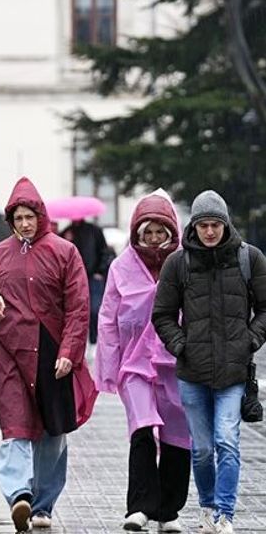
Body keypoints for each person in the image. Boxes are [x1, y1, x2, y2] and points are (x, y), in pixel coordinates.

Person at [0, 177, 97, 533]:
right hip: (8, 352)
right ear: (10, 221)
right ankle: (19, 496)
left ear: (40, 216)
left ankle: (43, 505)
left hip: (51, 352)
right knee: (14, 428)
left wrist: (70, 352)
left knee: (51, 432)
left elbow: (78, 307)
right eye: (18, 218)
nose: (25, 224)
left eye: (30, 216)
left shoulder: (64, 252)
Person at [152, 190, 266, 534]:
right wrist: (180, 345)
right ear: (194, 227)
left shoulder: (251, 259)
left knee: (227, 442)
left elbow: (264, 309)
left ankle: (225, 514)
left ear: (226, 224)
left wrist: (250, 339)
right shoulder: (178, 262)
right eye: (204, 225)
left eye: (216, 224)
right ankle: (207, 506)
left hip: (233, 371)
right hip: (192, 372)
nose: (211, 232)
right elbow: (163, 314)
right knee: (201, 450)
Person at [95, 190, 191, 532]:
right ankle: (139, 507)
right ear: (137, 232)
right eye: (147, 232)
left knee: (178, 436)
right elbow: (108, 317)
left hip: (176, 364)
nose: (153, 239)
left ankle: (168, 511)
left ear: (171, 233)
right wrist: (108, 365)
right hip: (134, 365)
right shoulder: (121, 266)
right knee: (141, 430)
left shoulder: (184, 263)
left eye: (159, 232)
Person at [60, 218, 111, 344]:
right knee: (75, 311)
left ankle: (95, 340)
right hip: (73, 278)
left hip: (93, 276)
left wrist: (100, 270)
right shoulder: (67, 232)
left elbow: (104, 252)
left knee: (95, 310)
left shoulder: (94, 230)